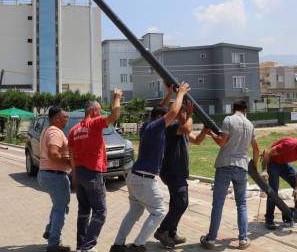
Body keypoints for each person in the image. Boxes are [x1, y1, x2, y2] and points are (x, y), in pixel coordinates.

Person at [110, 82, 191, 252]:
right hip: (144, 179)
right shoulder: (155, 127)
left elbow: (161, 109)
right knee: (159, 211)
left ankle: (118, 245)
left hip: (135, 176)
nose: (168, 121)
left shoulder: (148, 125)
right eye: (165, 119)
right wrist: (180, 93)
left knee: (134, 212)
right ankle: (138, 245)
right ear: (159, 119)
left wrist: (169, 93)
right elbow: (173, 112)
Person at [200, 100, 259, 250]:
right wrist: (255, 164)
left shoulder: (229, 119)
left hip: (225, 165)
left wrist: (210, 133)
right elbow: (256, 148)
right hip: (242, 167)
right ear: (245, 110)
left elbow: (221, 143)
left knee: (218, 204)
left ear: (233, 109)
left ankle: (211, 239)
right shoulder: (250, 124)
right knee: (242, 205)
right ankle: (243, 240)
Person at [68, 90, 122, 252]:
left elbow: (71, 155)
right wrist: (117, 98)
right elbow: (115, 116)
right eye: (99, 110)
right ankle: (88, 247)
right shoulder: (94, 123)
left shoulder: (74, 130)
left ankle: (80, 245)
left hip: (80, 173)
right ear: (93, 112)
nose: (101, 113)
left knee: (84, 211)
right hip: (93, 174)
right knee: (100, 212)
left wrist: (75, 176)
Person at [153, 85, 206, 248]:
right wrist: (190, 115)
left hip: (177, 171)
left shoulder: (180, 130)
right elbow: (187, 127)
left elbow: (196, 139)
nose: (184, 115)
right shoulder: (172, 127)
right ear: (179, 114)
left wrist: (206, 130)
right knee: (182, 203)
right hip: (173, 171)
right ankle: (162, 231)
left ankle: (171, 233)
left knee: (176, 203)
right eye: (183, 112)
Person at [260, 137, 297, 230]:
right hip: (273, 162)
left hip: (283, 164)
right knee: (273, 191)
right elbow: (267, 152)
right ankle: (269, 219)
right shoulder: (289, 145)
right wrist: (264, 170)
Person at [37, 106, 71, 252]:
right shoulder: (55, 132)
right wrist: (71, 164)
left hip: (46, 174)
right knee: (61, 209)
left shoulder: (47, 130)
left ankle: (50, 230)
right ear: (57, 118)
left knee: (58, 206)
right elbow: (53, 154)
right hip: (55, 175)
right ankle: (53, 244)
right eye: (65, 116)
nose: (67, 119)